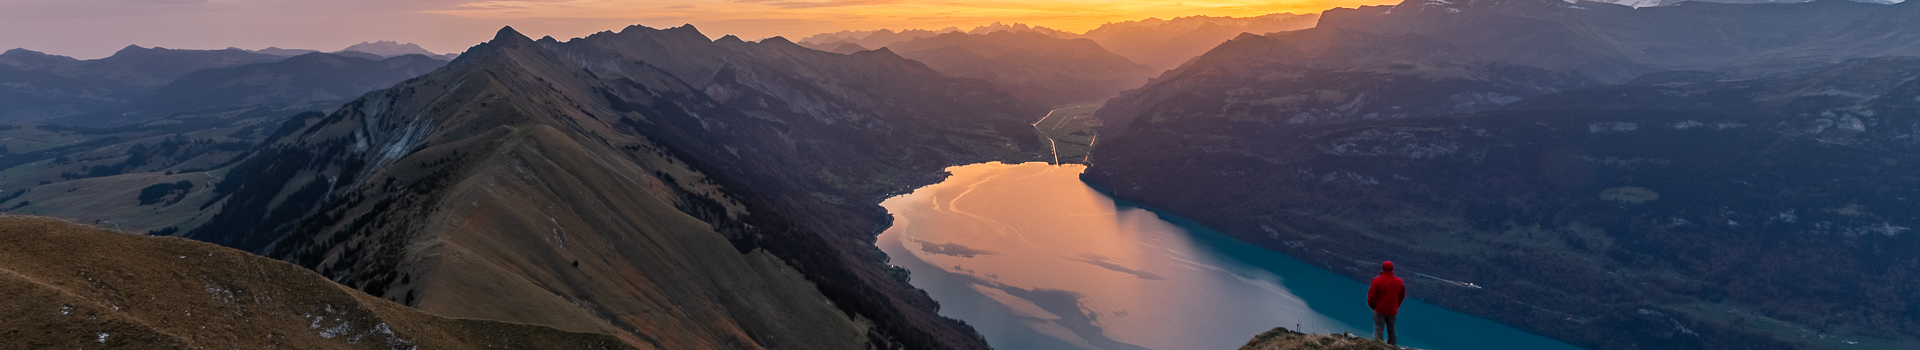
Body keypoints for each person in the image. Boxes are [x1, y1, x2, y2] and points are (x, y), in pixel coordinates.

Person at [1368, 260, 1406, 346]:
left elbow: (1371, 296)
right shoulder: (1399, 282)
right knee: (1392, 330)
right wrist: (1396, 306)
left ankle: (1379, 346)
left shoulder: (1377, 281)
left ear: (1383, 268)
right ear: (1392, 269)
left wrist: (1373, 306)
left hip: (1379, 309)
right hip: (1392, 310)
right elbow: (1402, 296)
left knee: (1379, 328)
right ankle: (1392, 346)